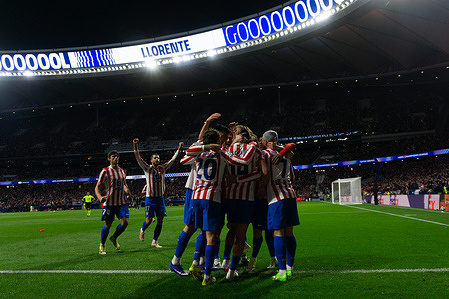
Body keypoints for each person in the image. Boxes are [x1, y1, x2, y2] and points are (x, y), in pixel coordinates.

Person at [186, 128, 254, 286]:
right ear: (217, 141)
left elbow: (186, 155)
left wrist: (204, 147)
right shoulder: (222, 153)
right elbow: (241, 162)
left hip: (196, 197)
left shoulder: (199, 153)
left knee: (204, 233)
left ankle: (196, 264)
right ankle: (207, 275)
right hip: (212, 198)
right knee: (212, 236)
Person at [169, 113, 221, 276]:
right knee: (191, 227)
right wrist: (206, 122)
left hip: (204, 192)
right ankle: (175, 261)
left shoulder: (209, 150)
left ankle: (200, 261)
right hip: (194, 190)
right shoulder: (199, 149)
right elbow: (185, 159)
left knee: (205, 230)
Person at [221, 125, 262, 280]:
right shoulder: (254, 148)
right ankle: (231, 270)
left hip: (231, 197)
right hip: (246, 199)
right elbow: (260, 172)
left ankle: (225, 259)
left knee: (231, 230)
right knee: (240, 235)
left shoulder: (226, 150)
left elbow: (223, 170)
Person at [260, 130, 298, 282]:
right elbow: (293, 177)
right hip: (290, 194)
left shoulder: (265, 154)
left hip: (276, 198)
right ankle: (289, 268)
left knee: (278, 233)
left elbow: (264, 174)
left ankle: (281, 271)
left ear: (264, 141)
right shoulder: (287, 156)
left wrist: (262, 188)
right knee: (289, 232)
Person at [134, 138, 183, 248]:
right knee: (148, 221)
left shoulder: (162, 168)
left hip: (160, 198)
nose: (157, 159)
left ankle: (155, 241)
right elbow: (138, 158)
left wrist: (179, 149)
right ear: (151, 160)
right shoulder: (147, 168)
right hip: (150, 199)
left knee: (160, 221)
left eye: (158, 158)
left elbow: (172, 160)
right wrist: (135, 146)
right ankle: (142, 229)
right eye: (155, 158)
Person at [95, 150, 131, 255]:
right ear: (109, 159)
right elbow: (97, 187)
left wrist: (127, 190)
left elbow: (124, 184)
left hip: (121, 202)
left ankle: (114, 237)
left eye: (117, 156)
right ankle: (102, 244)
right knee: (108, 224)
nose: (116, 158)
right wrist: (99, 197)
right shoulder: (105, 171)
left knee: (125, 222)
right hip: (109, 203)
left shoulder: (123, 171)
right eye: (113, 156)